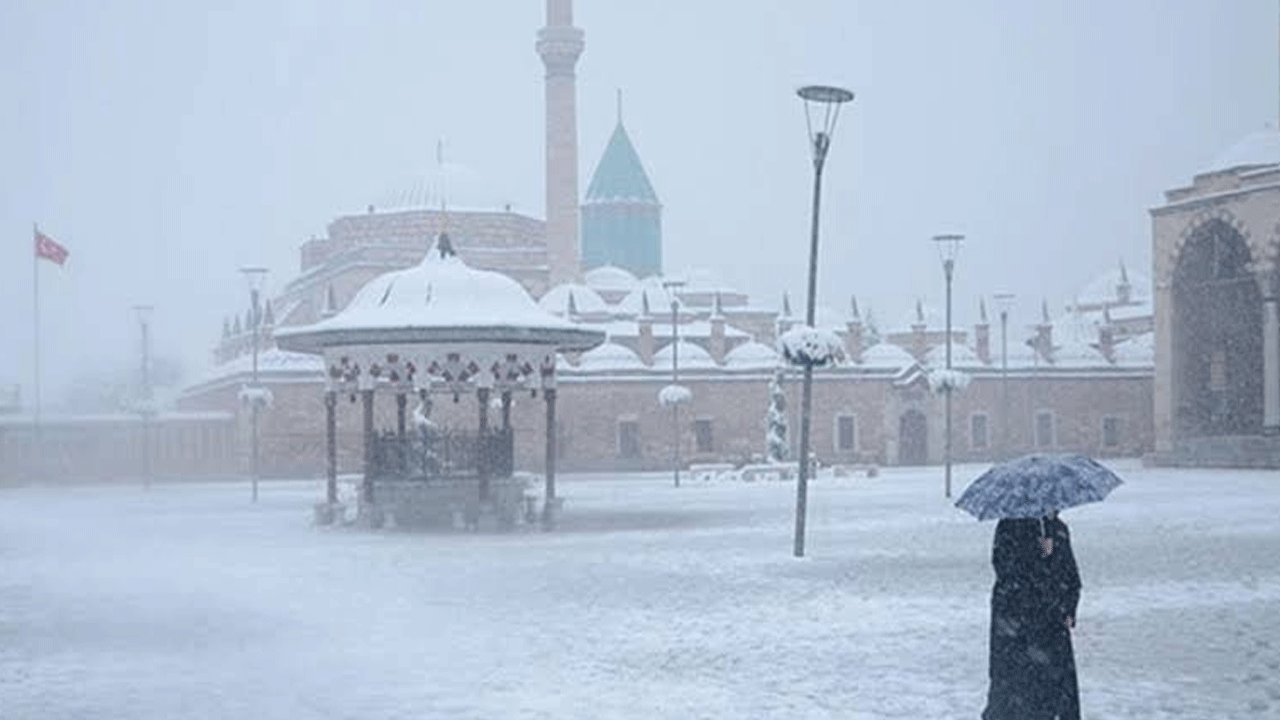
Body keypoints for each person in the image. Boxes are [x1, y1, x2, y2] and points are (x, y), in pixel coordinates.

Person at [982, 511, 1082, 720]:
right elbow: (1005, 569)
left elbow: (1071, 575)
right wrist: (1036, 553)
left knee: (1053, 687)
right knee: (1016, 687)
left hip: (1051, 619)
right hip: (1018, 622)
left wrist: (1069, 608)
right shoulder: (1009, 527)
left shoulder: (1058, 529)